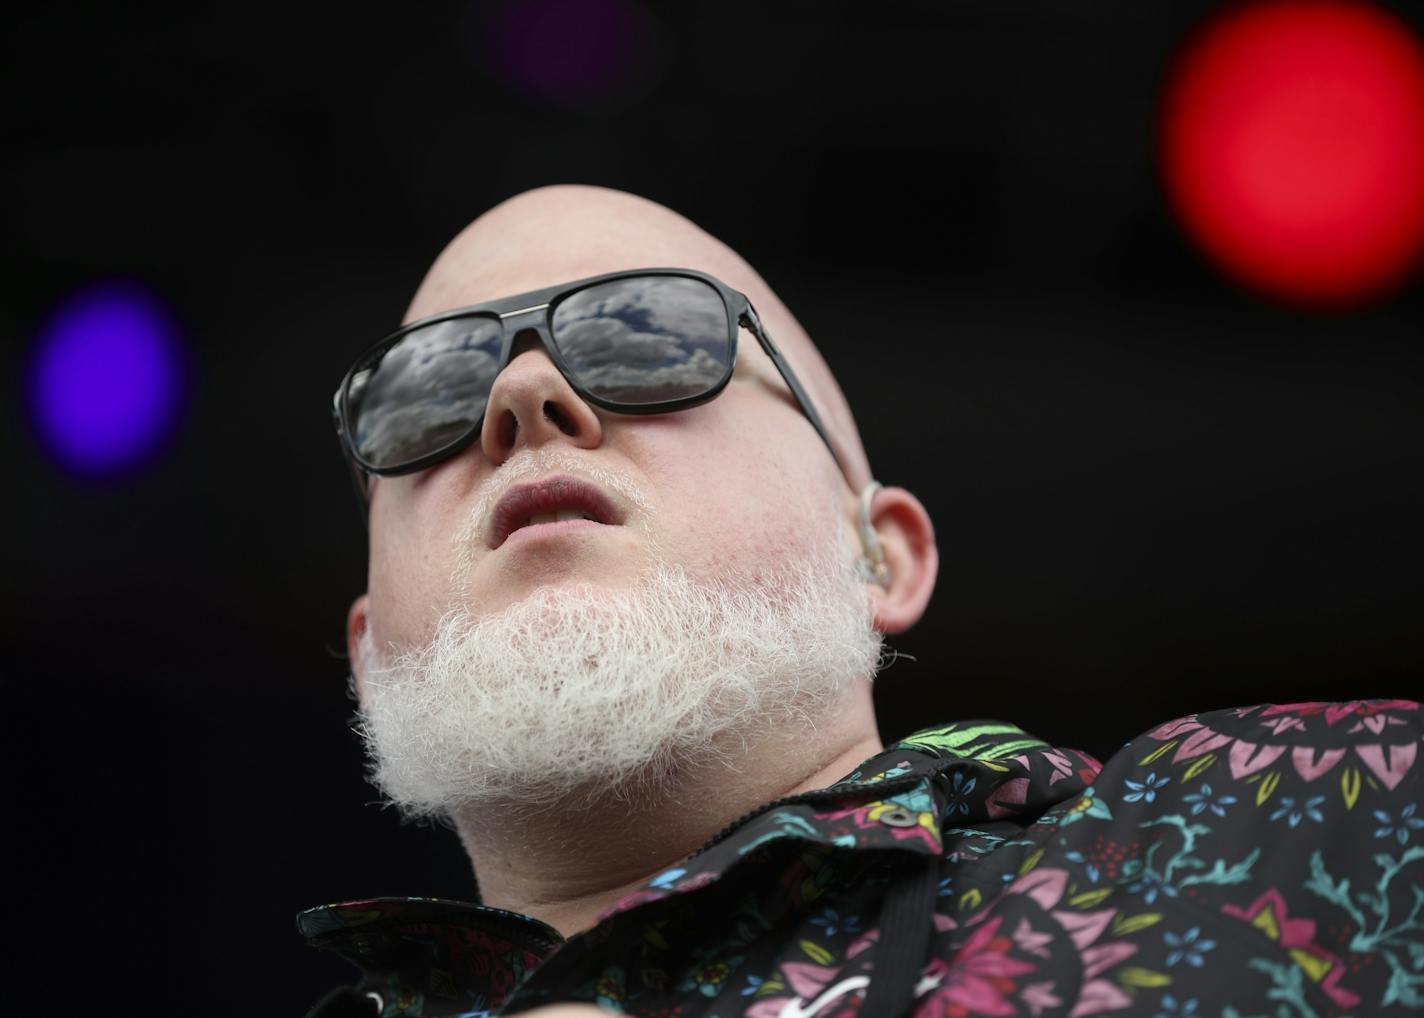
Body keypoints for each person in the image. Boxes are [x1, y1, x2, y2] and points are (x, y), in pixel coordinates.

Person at [301, 185, 1422, 1018]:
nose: (524, 395)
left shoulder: (1316, 819)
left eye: (647, 339)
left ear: (877, 553)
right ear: (365, 653)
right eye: (428, 395)